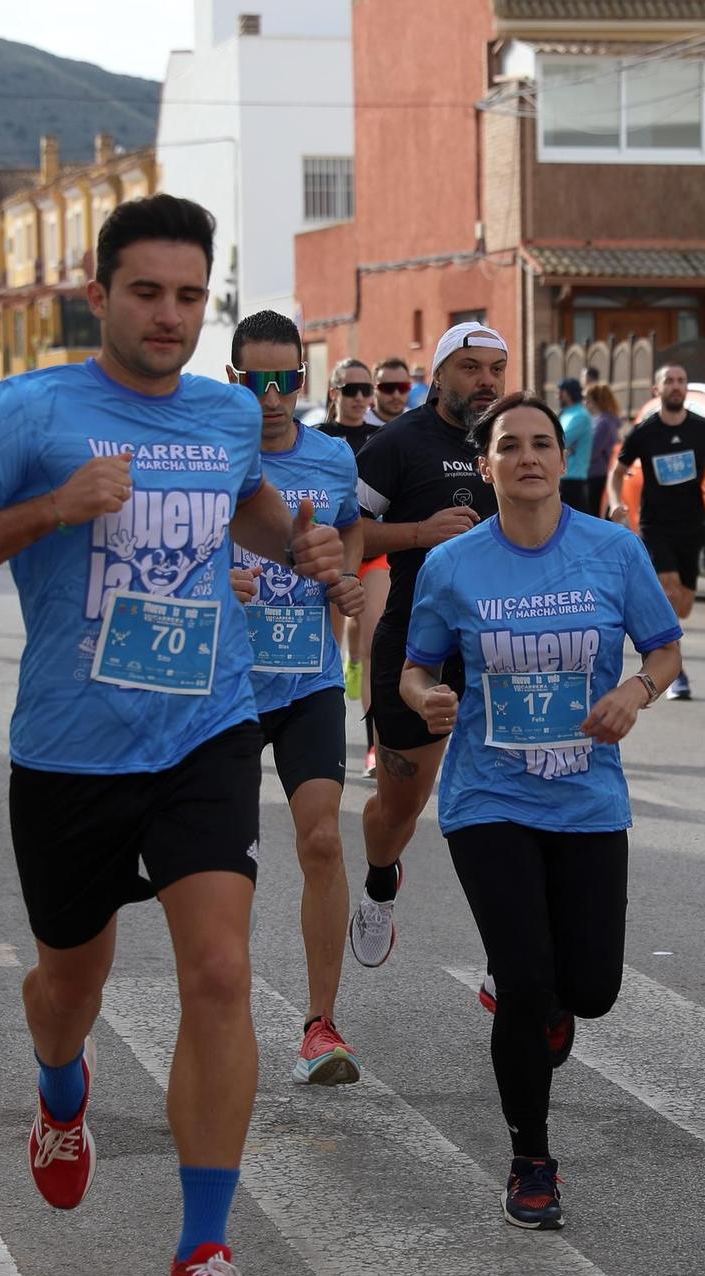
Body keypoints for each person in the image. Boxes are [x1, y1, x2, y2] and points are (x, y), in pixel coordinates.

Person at [0, 194, 348, 1276]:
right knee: (69, 987)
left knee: (219, 973)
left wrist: (296, 538)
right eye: (145, 292)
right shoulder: (30, 411)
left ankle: (203, 1249)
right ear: (96, 293)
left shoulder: (224, 412)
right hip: (70, 752)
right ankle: (60, 1088)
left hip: (204, 727)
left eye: (190, 296)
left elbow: (243, 505)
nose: (169, 315)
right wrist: (52, 508)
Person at [403, 391, 681, 1228]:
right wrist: (428, 701)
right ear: (486, 465)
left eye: (541, 444)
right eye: (509, 446)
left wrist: (636, 690)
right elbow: (417, 668)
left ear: (563, 460)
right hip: (488, 797)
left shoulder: (613, 549)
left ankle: (550, 1005)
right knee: (524, 980)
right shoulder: (453, 566)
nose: (527, 457)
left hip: (589, 798)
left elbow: (664, 649)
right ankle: (531, 1156)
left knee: (588, 989)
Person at [224, 310, 373, 1085]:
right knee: (227, 862)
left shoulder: (332, 459)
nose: (273, 395)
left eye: (285, 380)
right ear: (234, 380)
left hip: (308, 677)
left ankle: (320, 1024)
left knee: (320, 840)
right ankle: (224, 1012)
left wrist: (341, 576)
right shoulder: (214, 458)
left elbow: (348, 533)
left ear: (302, 382)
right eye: (258, 380)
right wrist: (221, 578)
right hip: (227, 687)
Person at [346, 322, 506, 970]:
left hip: (503, 650)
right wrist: (420, 532)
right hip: (417, 644)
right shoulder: (398, 444)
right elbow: (347, 531)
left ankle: (510, 962)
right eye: (470, 367)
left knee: (506, 811)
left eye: (496, 368)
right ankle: (381, 879)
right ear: (437, 375)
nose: (486, 381)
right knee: (401, 804)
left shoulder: (515, 440)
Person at [606, 364, 705, 701]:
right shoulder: (644, 432)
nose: (675, 386)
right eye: (668, 381)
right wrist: (617, 503)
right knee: (669, 590)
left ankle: (670, 649)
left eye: (681, 381)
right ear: (657, 390)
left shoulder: (703, 429)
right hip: (655, 524)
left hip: (692, 523)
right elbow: (619, 472)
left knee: (684, 603)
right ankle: (675, 670)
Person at [321, 357, 389, 715]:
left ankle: (375, 746)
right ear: (335, 392)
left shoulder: (380, 439)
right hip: (332, 554)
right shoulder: (317, 437)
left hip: (372, 551)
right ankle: (330, 720)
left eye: (367, 390)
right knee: (330, 645)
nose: (361, 397)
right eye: (352, 390)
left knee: (374, 639)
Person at [583, 382, 622, 521]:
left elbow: (593, 451)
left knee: (595, 514)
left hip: (597, 474)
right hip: (601, 471)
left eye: (586, 399)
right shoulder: (606, 420)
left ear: (594, 401)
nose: (584, 403)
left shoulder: (602, 422)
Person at [557, 378, 595, 514]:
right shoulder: (565, 413)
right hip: (562, 477)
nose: (558, 396)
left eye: (560, 392)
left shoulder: (581, 415)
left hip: (574, 478)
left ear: (567, 393)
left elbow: (560, 441)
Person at [367, 358, 412, 427]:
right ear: (373, 389)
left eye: (403, 387)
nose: (396, 395)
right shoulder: (358, 424)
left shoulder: (418, 423)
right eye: (388, 388)